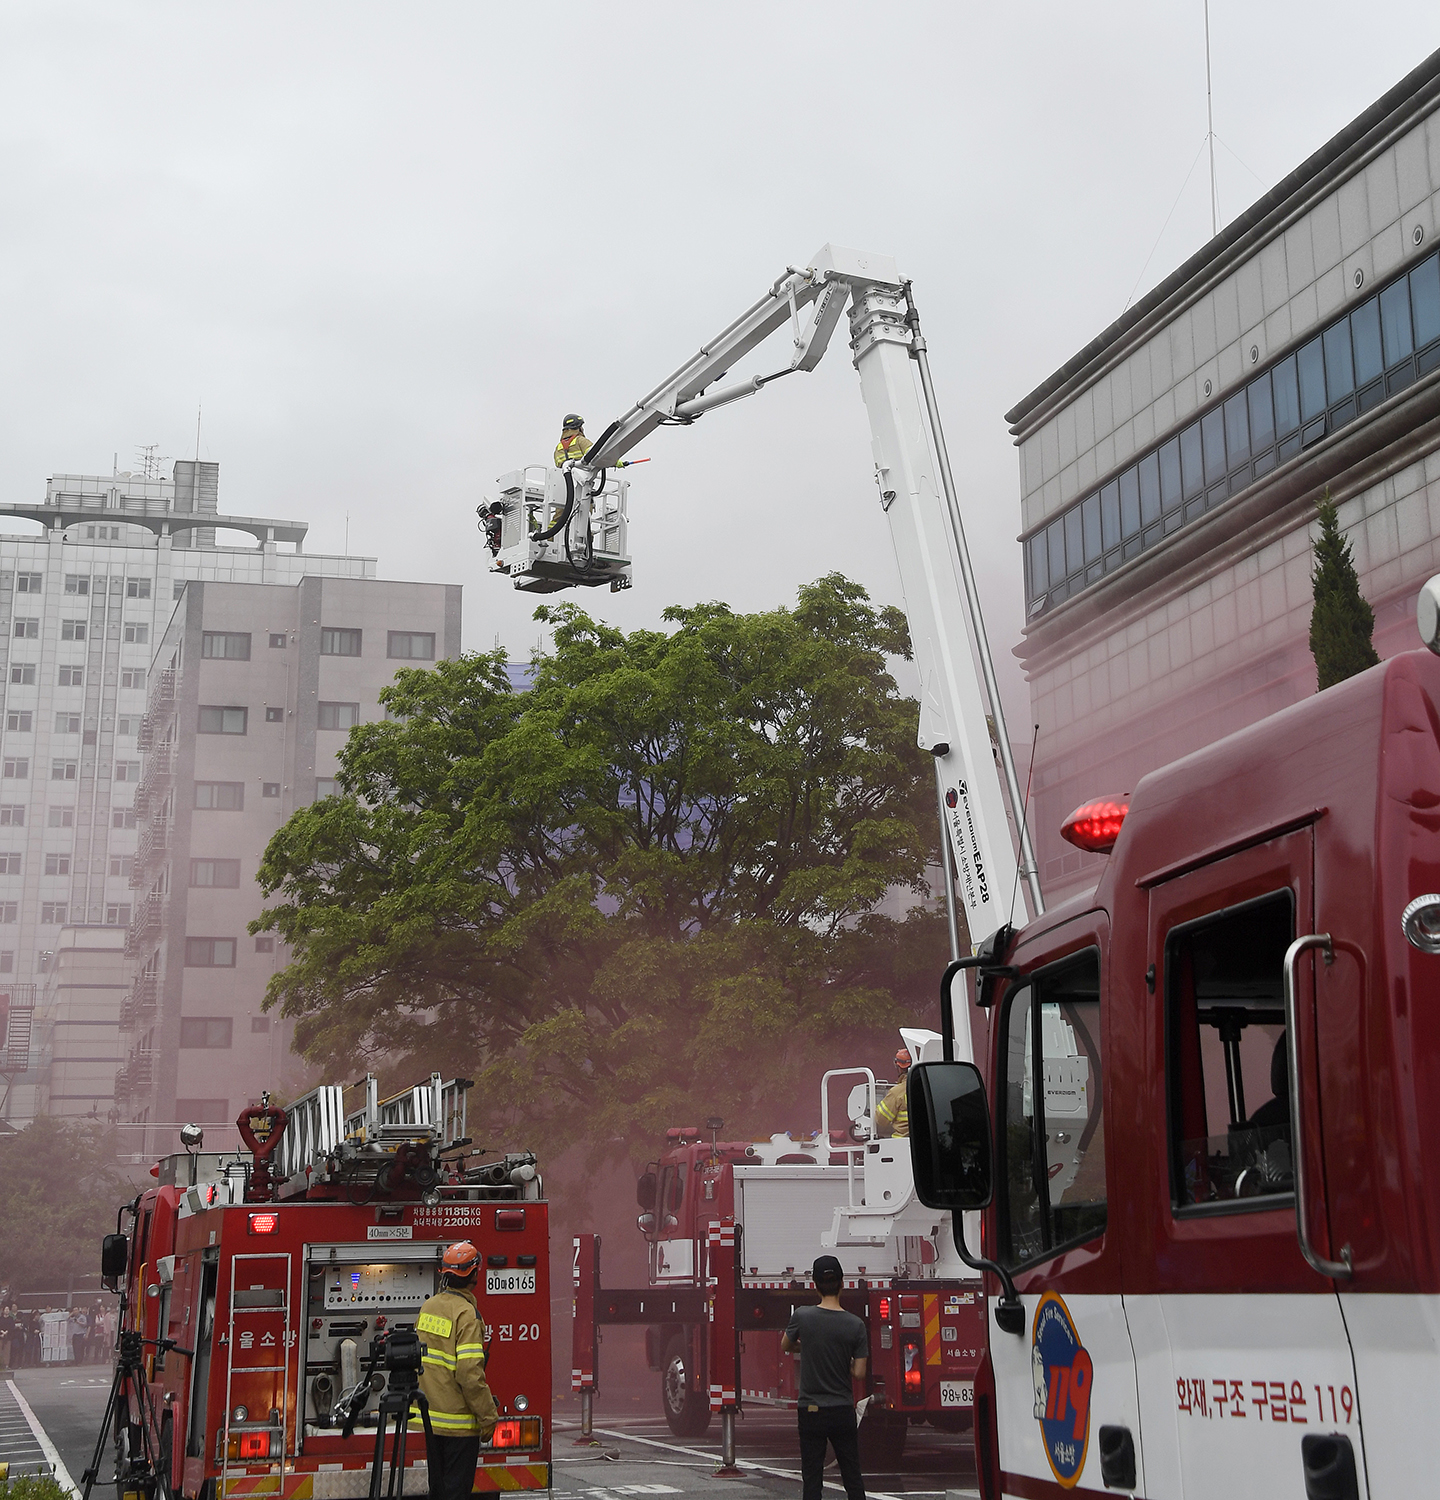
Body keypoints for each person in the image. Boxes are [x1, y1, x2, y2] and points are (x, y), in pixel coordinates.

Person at [416, 1241, 499, 1500]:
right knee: (455, 1494)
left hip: (430, 1423)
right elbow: (469, 1375)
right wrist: (488, 1418)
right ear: (474, 1275)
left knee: (437, 1493)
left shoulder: (428, 1307)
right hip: (459, 1426)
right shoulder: (467, 1315)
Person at [782, 1255, 868, 1500]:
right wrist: (844, 1359)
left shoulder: (802, 1316)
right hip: (841, 1409)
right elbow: (859, 1373)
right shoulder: (855, 1325)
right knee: (852, 1476)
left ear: (815, 1285)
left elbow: (786, 1345)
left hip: (810, 1409)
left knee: (812, 1479)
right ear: (842, 1284)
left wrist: (807, 1347)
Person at [875, 1049, 911, 1138]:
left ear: (899, 1067)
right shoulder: (929, 1088)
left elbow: (881, 1120)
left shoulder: (896, 1092)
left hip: (901, 1142)